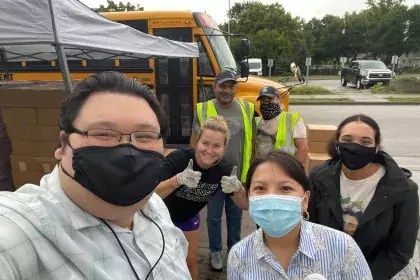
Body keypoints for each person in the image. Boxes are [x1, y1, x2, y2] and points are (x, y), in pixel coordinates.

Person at [0, 72, 191, 279]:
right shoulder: (19, 235)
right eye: (103, 134)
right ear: (63, 143)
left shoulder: (155, 206)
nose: (127, 151)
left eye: (144, 136)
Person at [228, 150, 372, 279]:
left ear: (305, 200)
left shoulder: (342, 247)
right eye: (260, 188)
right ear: (249, 197)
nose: (272, 198)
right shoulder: (239, 256)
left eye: (285, 188)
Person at [308, 114, 419, 279]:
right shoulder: (319, 177)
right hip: (328, 270)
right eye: (347, 140)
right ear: (337, 144)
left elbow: (399, 251)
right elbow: (310, 228)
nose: (355, 147)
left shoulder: (403, 189)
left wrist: (361, 276)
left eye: (365, 141)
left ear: (376, 148)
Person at [156, 116, 248, 280]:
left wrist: (239, 189)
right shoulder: (178, 159)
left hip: (187, 217)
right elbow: (151, 195)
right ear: (197, 142)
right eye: (205, 143)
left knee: (189, 260)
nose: (209, 150)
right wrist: (177, 180)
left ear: (224, 148)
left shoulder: (224, 169)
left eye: (216, 146)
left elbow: (244, 205)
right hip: (159, 216)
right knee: (160, 261)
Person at [190, 69, 255, 271]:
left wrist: (250, 176)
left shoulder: (248, 109)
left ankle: (235, 251)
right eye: (223, 86)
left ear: (235, 87)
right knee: (214, 217)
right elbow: (194, 143)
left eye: (231, 86)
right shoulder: (203, 109)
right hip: (212, 176)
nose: (227, 90)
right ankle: (215, 251)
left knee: (236, 217)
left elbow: (252, 143)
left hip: (237, 177)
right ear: (215, 87)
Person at [255, 86, 308, 163]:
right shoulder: (257, 122)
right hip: (262, 168)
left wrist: (293, 170)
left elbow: (303, 148)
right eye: (263, 101)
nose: (267, 103)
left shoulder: (292, 119)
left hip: (284, 168)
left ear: (279, 100)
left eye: (270, 99)